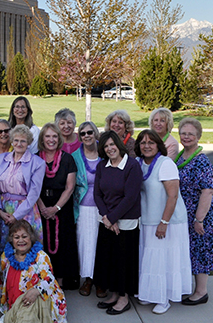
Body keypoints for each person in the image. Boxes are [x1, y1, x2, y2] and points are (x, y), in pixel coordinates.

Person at [135, 129, 192, 314]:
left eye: (151, 142)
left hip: (167, 221)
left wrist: (164, 222)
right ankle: (150, 293)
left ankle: (164, 297)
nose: (146, 146)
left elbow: (173, 196)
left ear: (158, 145)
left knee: (163, 259)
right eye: (143, 142)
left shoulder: (165, 164)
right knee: (149, 258)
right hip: (147, 218)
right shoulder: (138, 163)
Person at [93, 131, 142, 315]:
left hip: (126, 222)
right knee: (109, 260)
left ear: (119, 145)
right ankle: (113, 294)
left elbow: (130, 197)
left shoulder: (131, 166)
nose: (110, 148)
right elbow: (97, 194)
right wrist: (107, 217)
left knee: (123, 261)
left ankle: (124, 298)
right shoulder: (102, 166)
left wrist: (113, 218)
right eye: (106, 146)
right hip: (106, 221)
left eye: (113, 144)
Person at [176, 118, 213, 306]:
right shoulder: (181, 156)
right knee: (192, 250)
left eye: (190, 134)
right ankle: (194, 288)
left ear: (198, 136)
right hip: (186, 214)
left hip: (200, 215)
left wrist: (199, 219)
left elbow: (208, 191)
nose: (186, 137)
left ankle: (201, 292)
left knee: (201, 250)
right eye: (183, 133)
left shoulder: (202, 161)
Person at [36, 123, 80, 290]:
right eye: (47, 136)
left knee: (62, 244)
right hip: (39, 205)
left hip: (62, 206)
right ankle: (41, 280)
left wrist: (56, 208)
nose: (51, 140)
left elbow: (70, 187)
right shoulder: (35, 158)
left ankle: (58, 285)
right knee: (42, 244)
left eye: (54, 136)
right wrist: (42, 207)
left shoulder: (68, 159)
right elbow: (32, 186)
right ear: (42, 139)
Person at [0, 221, 67, 323]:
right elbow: (2, 279)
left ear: (31, 237)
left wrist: (36, 291)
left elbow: (49, 280)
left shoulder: (40, 256)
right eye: (17, 237)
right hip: (14, 304)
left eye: (24, 236)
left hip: (34, 302)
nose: (21, 240)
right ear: (11, 240)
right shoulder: (6, 256)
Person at [0, 124, 45, 250]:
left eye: (23, 141)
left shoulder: (37, 163)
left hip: (25, 210)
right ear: (12, 141)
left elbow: (34, 194)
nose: (19, 144)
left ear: (29, 143)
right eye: (16, 140)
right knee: (2, 246)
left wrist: (16, 216)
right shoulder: (0, 159)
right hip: (3, 209)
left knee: (25, 247)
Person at [70, 122, 104, 297]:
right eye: (82, 134)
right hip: (82, 206)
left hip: (104, 206)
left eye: (90, 132)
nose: (87, 136)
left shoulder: (105, 153)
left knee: (101, 244)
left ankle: (100, 280)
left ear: (96, 133)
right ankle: (88, 279)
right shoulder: (75, 156)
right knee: (85, 244)